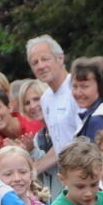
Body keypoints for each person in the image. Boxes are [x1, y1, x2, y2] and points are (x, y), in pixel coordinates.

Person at [28, 35, 81, 194]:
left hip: (85, 170)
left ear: (60, 58)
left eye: (45, 59)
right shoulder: (45, 99)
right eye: (35, 63)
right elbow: (59, 145)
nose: (41, 66)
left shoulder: (77, 88)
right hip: (66, 178)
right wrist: (32, 170)